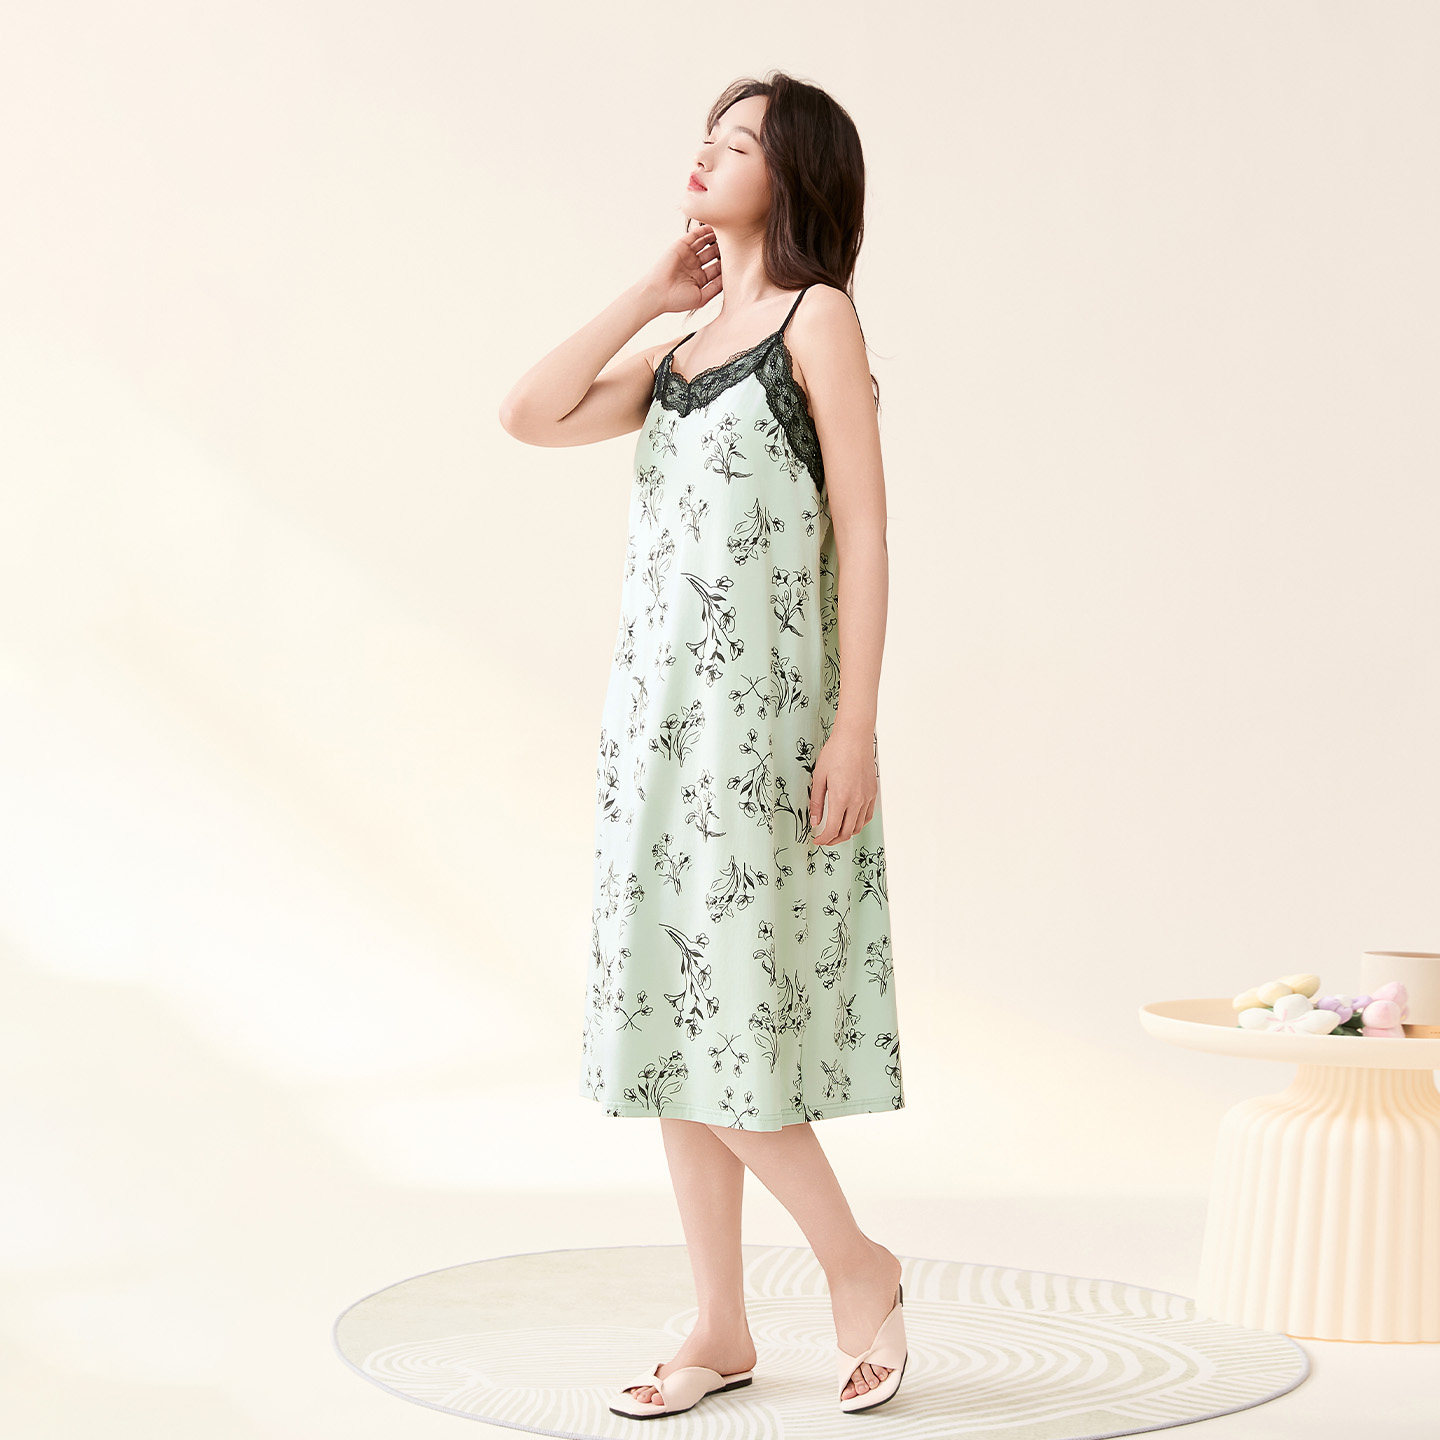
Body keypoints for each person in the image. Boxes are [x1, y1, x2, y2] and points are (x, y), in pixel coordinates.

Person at [500, 70, 908, 1419]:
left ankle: (856, 1266)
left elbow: (864, 526)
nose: (708, 153)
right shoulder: (681, 352)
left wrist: (856, 724)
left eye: (740, 142)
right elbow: (530, 411)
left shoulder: (815, 318)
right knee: (674, 1022)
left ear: (792, 177)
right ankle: (721, 1325)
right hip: (655, 726)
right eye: (709, 135)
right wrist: (649, 292)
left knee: (726, 1015)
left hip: (761, 728)